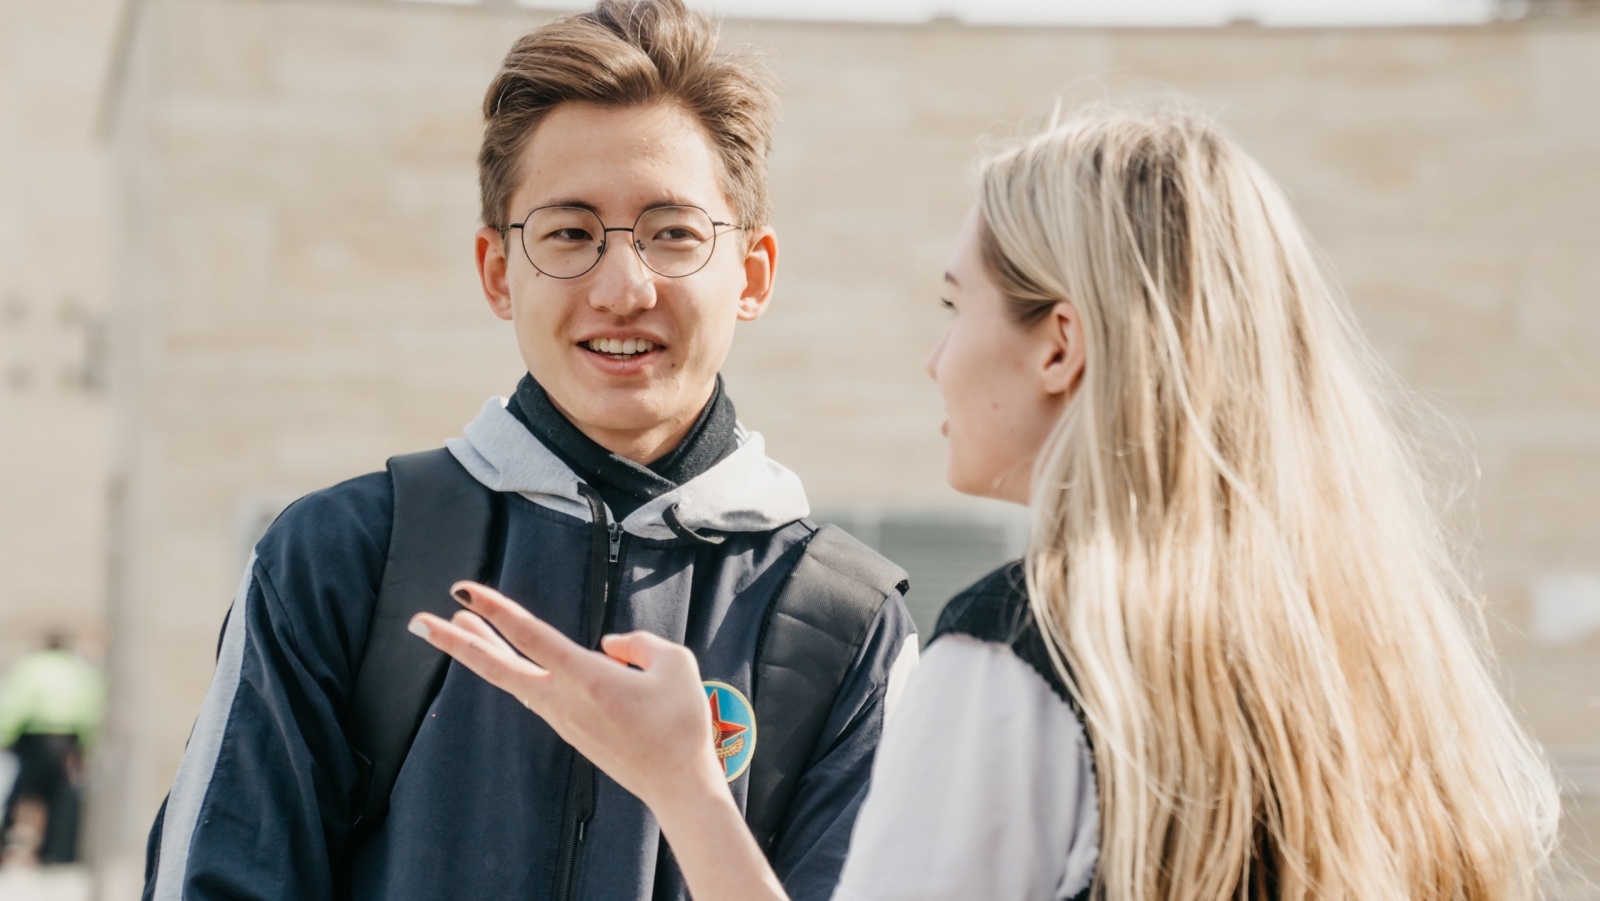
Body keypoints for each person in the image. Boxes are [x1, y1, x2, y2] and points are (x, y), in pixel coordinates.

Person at [413, 104, 1562, 899]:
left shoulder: (1024, 653)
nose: (935, 359)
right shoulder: (1376, 664)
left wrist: (681, 786)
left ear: (1058, 344)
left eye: (955, 305)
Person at [141, 2, 918, 899]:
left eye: (673, 232)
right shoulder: (339, 558)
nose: (623, 289)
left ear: (751, 274)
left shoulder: (847, 624)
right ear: (497, 272)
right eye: (569, 233)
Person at [0, 632, 103, 868]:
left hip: (34, 736)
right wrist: (85, 745)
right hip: (67, 738)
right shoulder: (77, 669)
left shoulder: (30, 666)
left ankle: (6, 845)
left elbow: (15, 702)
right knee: (62, 797)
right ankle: (59, 853)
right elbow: (90, 705)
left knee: (22, 793)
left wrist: (5, 736)